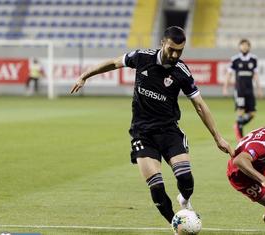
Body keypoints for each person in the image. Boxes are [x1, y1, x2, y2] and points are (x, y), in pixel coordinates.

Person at [70, 26, 234, 231]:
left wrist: (217, 137)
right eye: (171, 49)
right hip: (142, 134)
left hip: (169, 132)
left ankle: (184, 199)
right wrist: (85, 75)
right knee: (156, 188)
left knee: (185, 178)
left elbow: (200, 105)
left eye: (180, 51)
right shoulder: (141, 57)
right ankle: (178, 226)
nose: (175, 55)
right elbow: (113, 63)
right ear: (162, 43)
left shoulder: (181, 71)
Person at [223, 39, 263, 141]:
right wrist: (225, 88)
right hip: (239, 90)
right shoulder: (235, 59)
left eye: (246, 45)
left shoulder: (253, 59)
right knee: (240, 112)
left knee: (252, 113)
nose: (244, 47)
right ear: (239, 47)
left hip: (250, 90)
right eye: (242, 45)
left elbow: (256, 75)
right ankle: (240, 138)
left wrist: (259, 89)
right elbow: (229, 74)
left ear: (249, 47)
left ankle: (237, 125)